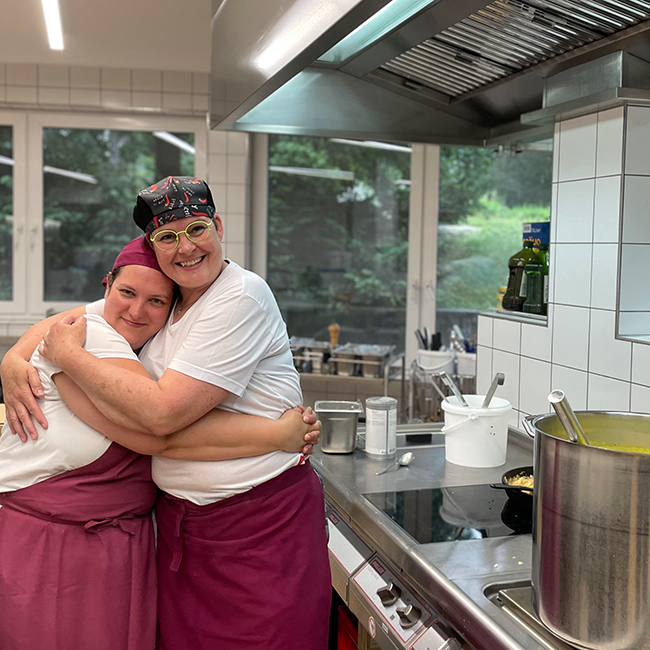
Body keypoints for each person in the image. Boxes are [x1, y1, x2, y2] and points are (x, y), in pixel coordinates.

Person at [29, 176, 332, 650]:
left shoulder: (240, 295)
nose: (185, 247)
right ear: (152, 246)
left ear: (218, 227)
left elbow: (161, 416)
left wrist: (67, 360)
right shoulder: (166, 302)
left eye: (196, 229)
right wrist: (12, 362)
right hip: (184, 530)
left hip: (259, 527)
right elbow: (81, 317)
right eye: (167, 237)